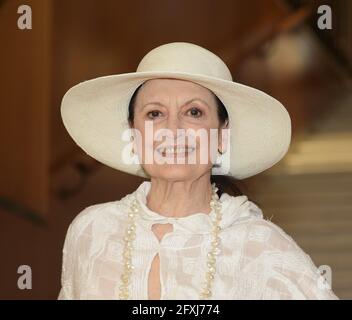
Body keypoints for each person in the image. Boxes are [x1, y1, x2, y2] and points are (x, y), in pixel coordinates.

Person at [58, 42, 338, 300]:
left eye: (194, 112)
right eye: (155, 114)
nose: (173, 130)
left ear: (221, 136)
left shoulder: (260, 247)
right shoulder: (92, 231)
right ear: (134, 135)